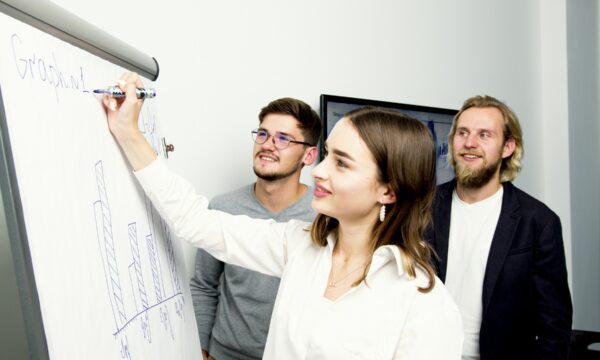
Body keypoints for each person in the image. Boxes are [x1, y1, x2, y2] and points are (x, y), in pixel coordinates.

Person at [103, 73, 463, 359]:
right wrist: (128, 131)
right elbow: (196, 221)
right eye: (326, 156)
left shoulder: (422, 302)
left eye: (341, 163)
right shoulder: (300, 246)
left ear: (388, 190)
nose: (320, 171)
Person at [427, 95, 572, 359]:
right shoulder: (422, 209)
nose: (470, 143)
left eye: (484, 135)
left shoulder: (538, 222)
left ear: (507, 147)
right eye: (463, 133)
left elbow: (555, 326)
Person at [189, 97, 321, 360]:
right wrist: (202, 348)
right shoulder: (223, 207)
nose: (268, 145)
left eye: (283, 138)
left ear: (308, 155)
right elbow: (204, 285)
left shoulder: (323, 218)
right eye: (263, 134)